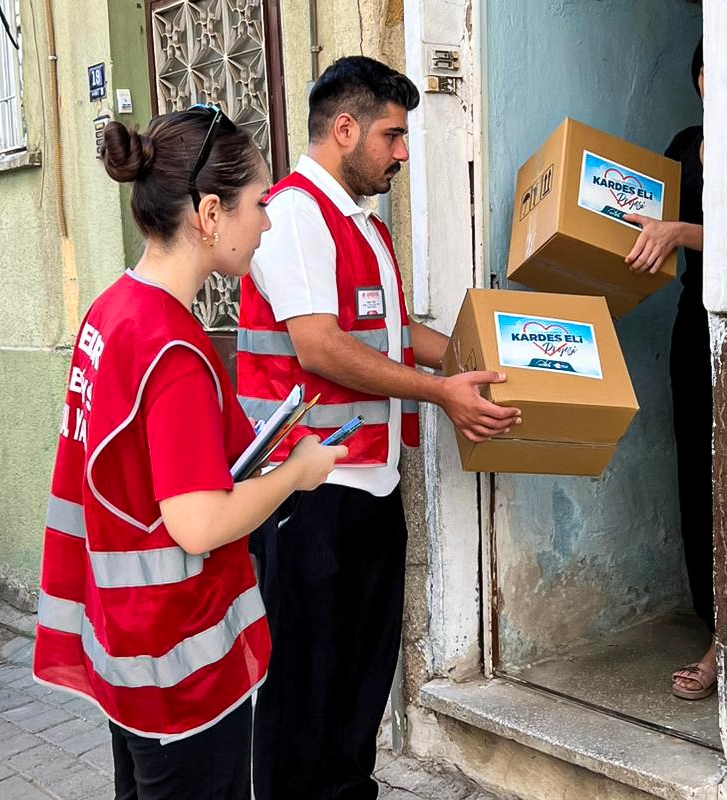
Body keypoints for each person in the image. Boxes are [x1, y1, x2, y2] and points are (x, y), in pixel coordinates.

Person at [32, 104, 346, 800]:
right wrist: (296, 474)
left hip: (129, 650)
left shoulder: (114, 310)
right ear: (210, 214)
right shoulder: (172, 347)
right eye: (259, 204)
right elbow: (198, 523)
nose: (266, 222)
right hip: (183, 670)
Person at [238, 56, 520, 799]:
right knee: (306, 685)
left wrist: (494, 357)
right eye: (393, 135)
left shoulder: (361, 223)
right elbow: (320, 346)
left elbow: (394, 333)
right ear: (343, 129)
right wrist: (441, 394)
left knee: (361, 679)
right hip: (309, 494)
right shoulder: (295, 214)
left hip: (367, 489)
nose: (402, 152)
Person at [623, 40, 714, 701]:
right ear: (702, 78)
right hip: (693, 323)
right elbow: (636, 213)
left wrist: (680, 234)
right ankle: (717, 627)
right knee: (695, 477)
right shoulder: (685, 144)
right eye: (709, 70)